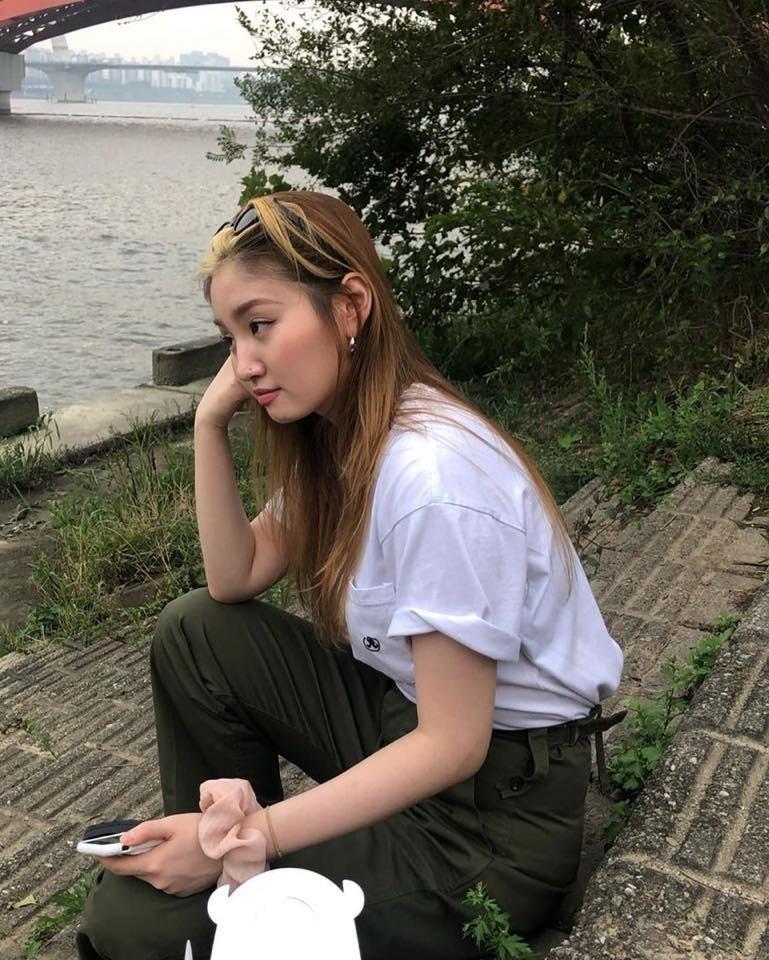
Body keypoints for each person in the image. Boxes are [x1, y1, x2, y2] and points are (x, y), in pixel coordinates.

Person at [76, 191, 623, 960]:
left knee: (130, 925)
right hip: (402, 725)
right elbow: (234, 578)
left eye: (260, 324)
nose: (245, 363)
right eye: (230, 337)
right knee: (196, 632)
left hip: (489, 826)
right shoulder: (347, 441)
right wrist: (208, 423)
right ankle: (221, 855)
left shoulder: (432, 476)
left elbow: (453, 744)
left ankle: (233, 873)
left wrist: (263, 832)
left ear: (349, 306)